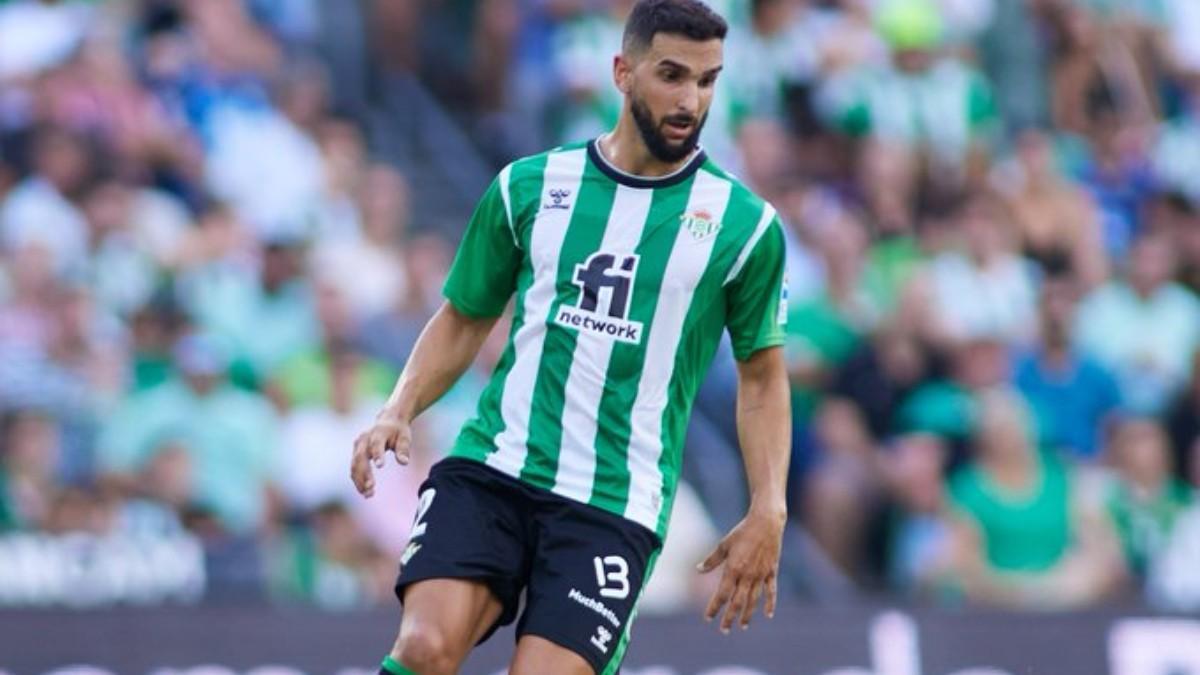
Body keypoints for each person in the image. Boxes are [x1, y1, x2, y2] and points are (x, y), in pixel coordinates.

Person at [349, 2, 792, 674]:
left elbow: (761, 375)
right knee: (423, 648)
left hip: (613, 502)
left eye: (706, 81)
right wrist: (398, 406)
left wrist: (770, 505)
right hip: (496, 465)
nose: (690, 99)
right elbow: (465, 315)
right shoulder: (529, 186)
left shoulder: (744, 226)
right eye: (671, 74)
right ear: (621, 71)